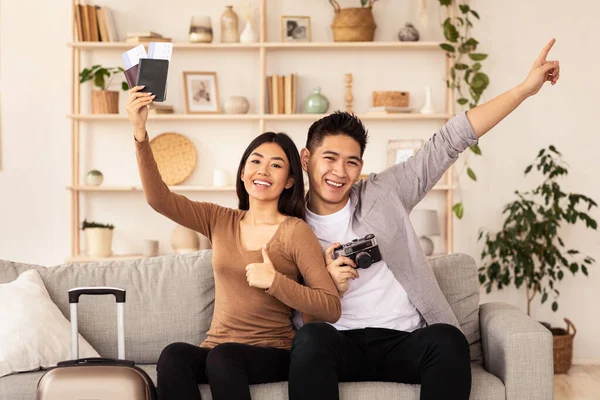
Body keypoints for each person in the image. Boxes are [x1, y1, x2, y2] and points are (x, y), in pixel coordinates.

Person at [288, 38, 561, 400]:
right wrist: (325, 285)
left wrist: (526, 89)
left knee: (448, 340)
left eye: (351, 161)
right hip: (335, 342)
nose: (340, 171)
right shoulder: (288, 224)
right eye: (330, 158)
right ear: (306, 159)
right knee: (309, 340)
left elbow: (450, 140)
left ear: (361, 167)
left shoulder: (384, 193)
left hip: (402, 339)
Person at [125, 86, 341, 400]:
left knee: (224, 358)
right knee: (173, 355)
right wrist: (140, 132)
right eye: (255, 161)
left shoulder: (295, 231)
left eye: (276, 165)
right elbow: (159, 199)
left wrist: (275, 282)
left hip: (273, 353)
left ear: (290, 181)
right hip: (217, 348)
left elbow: (330, 306)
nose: (263, 170)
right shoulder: (219, 220)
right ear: (242, 173)